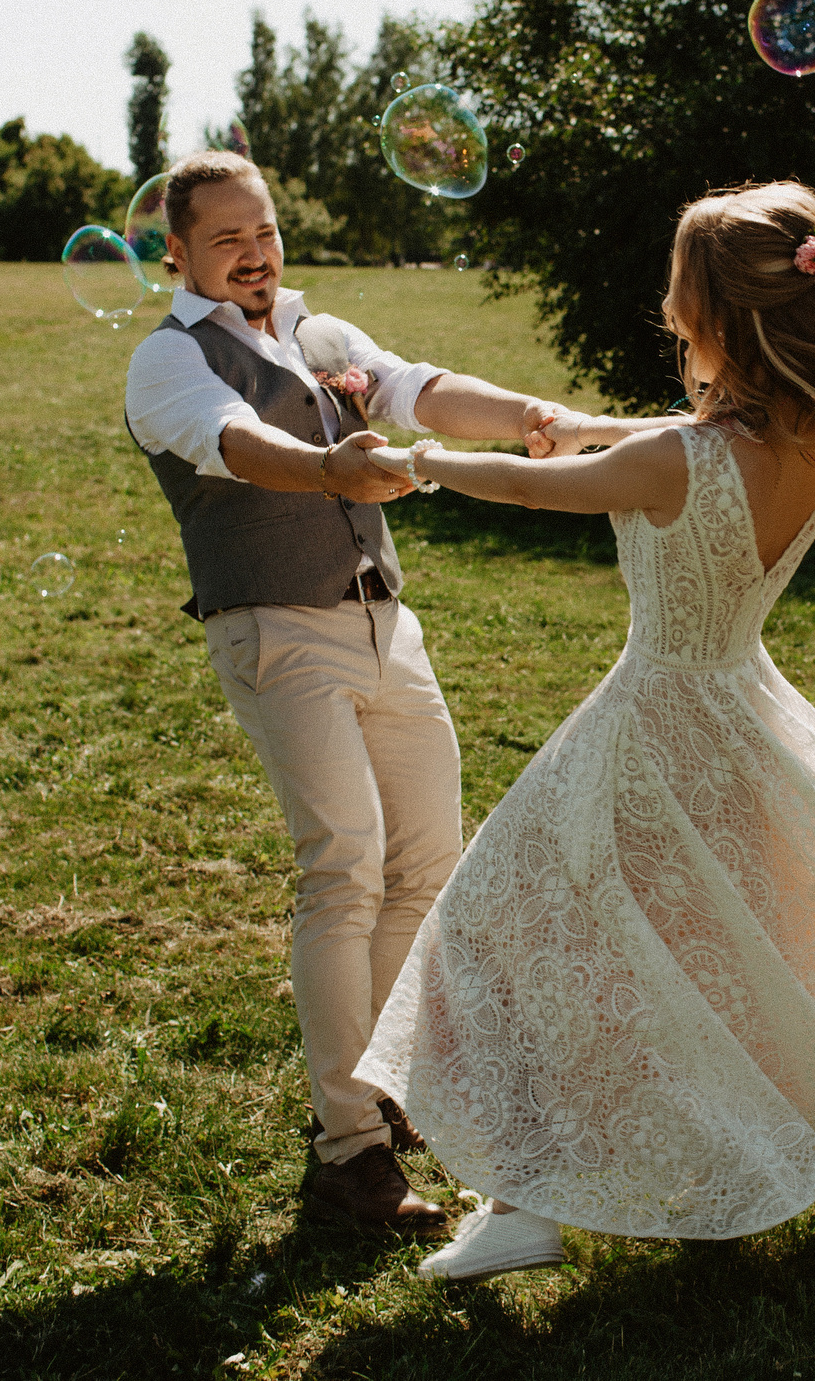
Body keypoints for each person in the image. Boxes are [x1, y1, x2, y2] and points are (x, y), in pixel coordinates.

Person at [353, 181, 815, 1282]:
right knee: (704, 950)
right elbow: (634, 442)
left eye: (675, 289)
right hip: (736, 713)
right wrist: (567, 428)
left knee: (496, 925)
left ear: (713, 319)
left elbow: (534, 486)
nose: (664, 306)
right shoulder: (807, 441)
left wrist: (416, 461)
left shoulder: (679, 462)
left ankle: (530, 1200)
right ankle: (584, 1181)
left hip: (651, 727)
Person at [124, 149, 572, 1232]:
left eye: (264, 231)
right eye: (226, 239)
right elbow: (235, 443)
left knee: (424, 865)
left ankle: (383, 1083)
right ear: (177, 254)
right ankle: (347, 1153)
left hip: (385, 626)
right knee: (344, 871)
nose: (254, 254)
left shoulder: (322, 338)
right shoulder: (165, 360)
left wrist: (523, 412)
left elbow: (419, 386)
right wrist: (330, 470)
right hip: (275, 630)